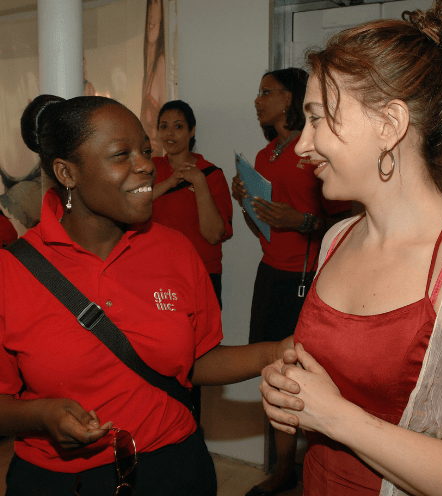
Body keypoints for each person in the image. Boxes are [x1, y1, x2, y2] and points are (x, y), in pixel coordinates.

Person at [260, 0, 442, 496]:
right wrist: (289, 386)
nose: (303, 145)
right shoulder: (337, 238)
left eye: (317, 118)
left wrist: (334, 415)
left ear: (389, 124)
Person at [0, 94, 292, 496]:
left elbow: (194, 360)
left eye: (144, 150)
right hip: (64, 482)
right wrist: (41, 414)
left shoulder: (174, 250)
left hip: (174, 466)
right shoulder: (12, 271)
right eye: (122, 154)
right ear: (67, 173)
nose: (146, 166)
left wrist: (275, 352)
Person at [232, 68, 351, 496]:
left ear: (289, 99)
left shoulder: (313, 151)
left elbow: (347, 220)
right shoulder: (265, 156)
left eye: (267, 92)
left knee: (316, 373)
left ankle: (324, 465)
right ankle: (284, 468)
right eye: (258, 91)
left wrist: (301, 221)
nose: (257, 99)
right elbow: (264, 227)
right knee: (275, 369)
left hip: (310, 275)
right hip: (272, 274)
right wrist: (247, 203)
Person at [152, 100, 233, 307]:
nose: (170, 133)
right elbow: (132, 205)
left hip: (201, 274)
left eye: (178, 126)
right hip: (156, 274)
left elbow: (214, 235)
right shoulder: (149, 169)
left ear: (191, 131)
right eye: (164, 126)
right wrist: (170, 182)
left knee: (202, 339)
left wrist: (199, 181)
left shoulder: (211, 174)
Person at [140, 0, 166, 154]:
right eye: (150, 1)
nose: (151, 12)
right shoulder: (148, 69)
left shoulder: (162, 65)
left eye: (156, 1)